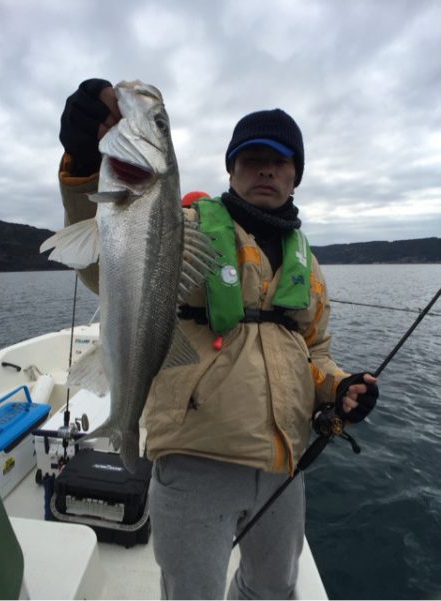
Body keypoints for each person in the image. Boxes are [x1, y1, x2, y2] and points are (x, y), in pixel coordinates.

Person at [58, 79, 378, 600]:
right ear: (231, 170)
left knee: (272, 589)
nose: (266, 170)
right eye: (252, 160)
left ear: (296, 176)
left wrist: (338, 388)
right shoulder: (182, 224)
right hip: (196, 455)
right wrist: (82, 162)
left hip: (283, 462)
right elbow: (106, 261)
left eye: (279, 162)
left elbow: (315, 349)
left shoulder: (309, 265)